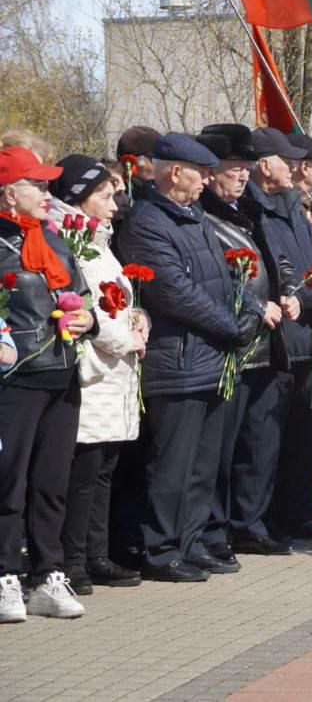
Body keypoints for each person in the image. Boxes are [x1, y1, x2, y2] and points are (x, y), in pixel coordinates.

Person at [118, 134, 268, 583]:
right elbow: (173, 292)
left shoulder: (195, 217)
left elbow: (225, 278)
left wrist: (247, 314)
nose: (207, 180)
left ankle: (191, 540)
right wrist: (231, 325)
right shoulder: (146, 223)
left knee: (204, 464)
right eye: (200, 173)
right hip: (176, 358)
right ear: (173, 171)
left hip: (212, 358)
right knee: (172, 464)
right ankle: (160, 549)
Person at [0, 147, 96, 622]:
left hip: (61, 372)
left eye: (46, 183)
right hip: (16, 379)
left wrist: (89, 321)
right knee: (8, 482)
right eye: (35, 184)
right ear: (8, 191)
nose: (45, 192)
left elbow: (83, 297)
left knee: (51, 483)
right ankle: (5, 578)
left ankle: (47, 575)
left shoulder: (55, 241)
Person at [49, 156, 146, 595]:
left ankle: (96, 552)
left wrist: (140, 317)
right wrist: (127, 338)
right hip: (93, 374)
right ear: (80, 197)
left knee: (104, 469)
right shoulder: (71, 240)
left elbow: (119, 298)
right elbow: (84, 306)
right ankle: (72, 561)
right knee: (82, 475)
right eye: (106, 196)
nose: (115, 204)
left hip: (117, 374)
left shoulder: (100, 240)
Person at [193, 125, 288, 564]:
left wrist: (289, 292)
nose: (243, 176)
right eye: (234, 169)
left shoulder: (245, 211)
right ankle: (214, 531)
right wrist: (254, 305)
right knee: (222, 450)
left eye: (246, 168)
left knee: (259, 444)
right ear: (211, 172)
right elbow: (216, 278)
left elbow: (267, 264)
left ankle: (250, 522)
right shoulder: (204, 217)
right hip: (232, 344)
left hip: (266, 344)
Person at [244, 128, 312, 545]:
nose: (297, 167)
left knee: (304, 434)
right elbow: (278, 271)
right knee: (268, 437)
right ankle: (261, 520)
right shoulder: (254, 211)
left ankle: (298, 509)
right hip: (279, 339)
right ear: (266, 165)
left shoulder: (292, 207)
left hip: (309, 334)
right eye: (288, 159)